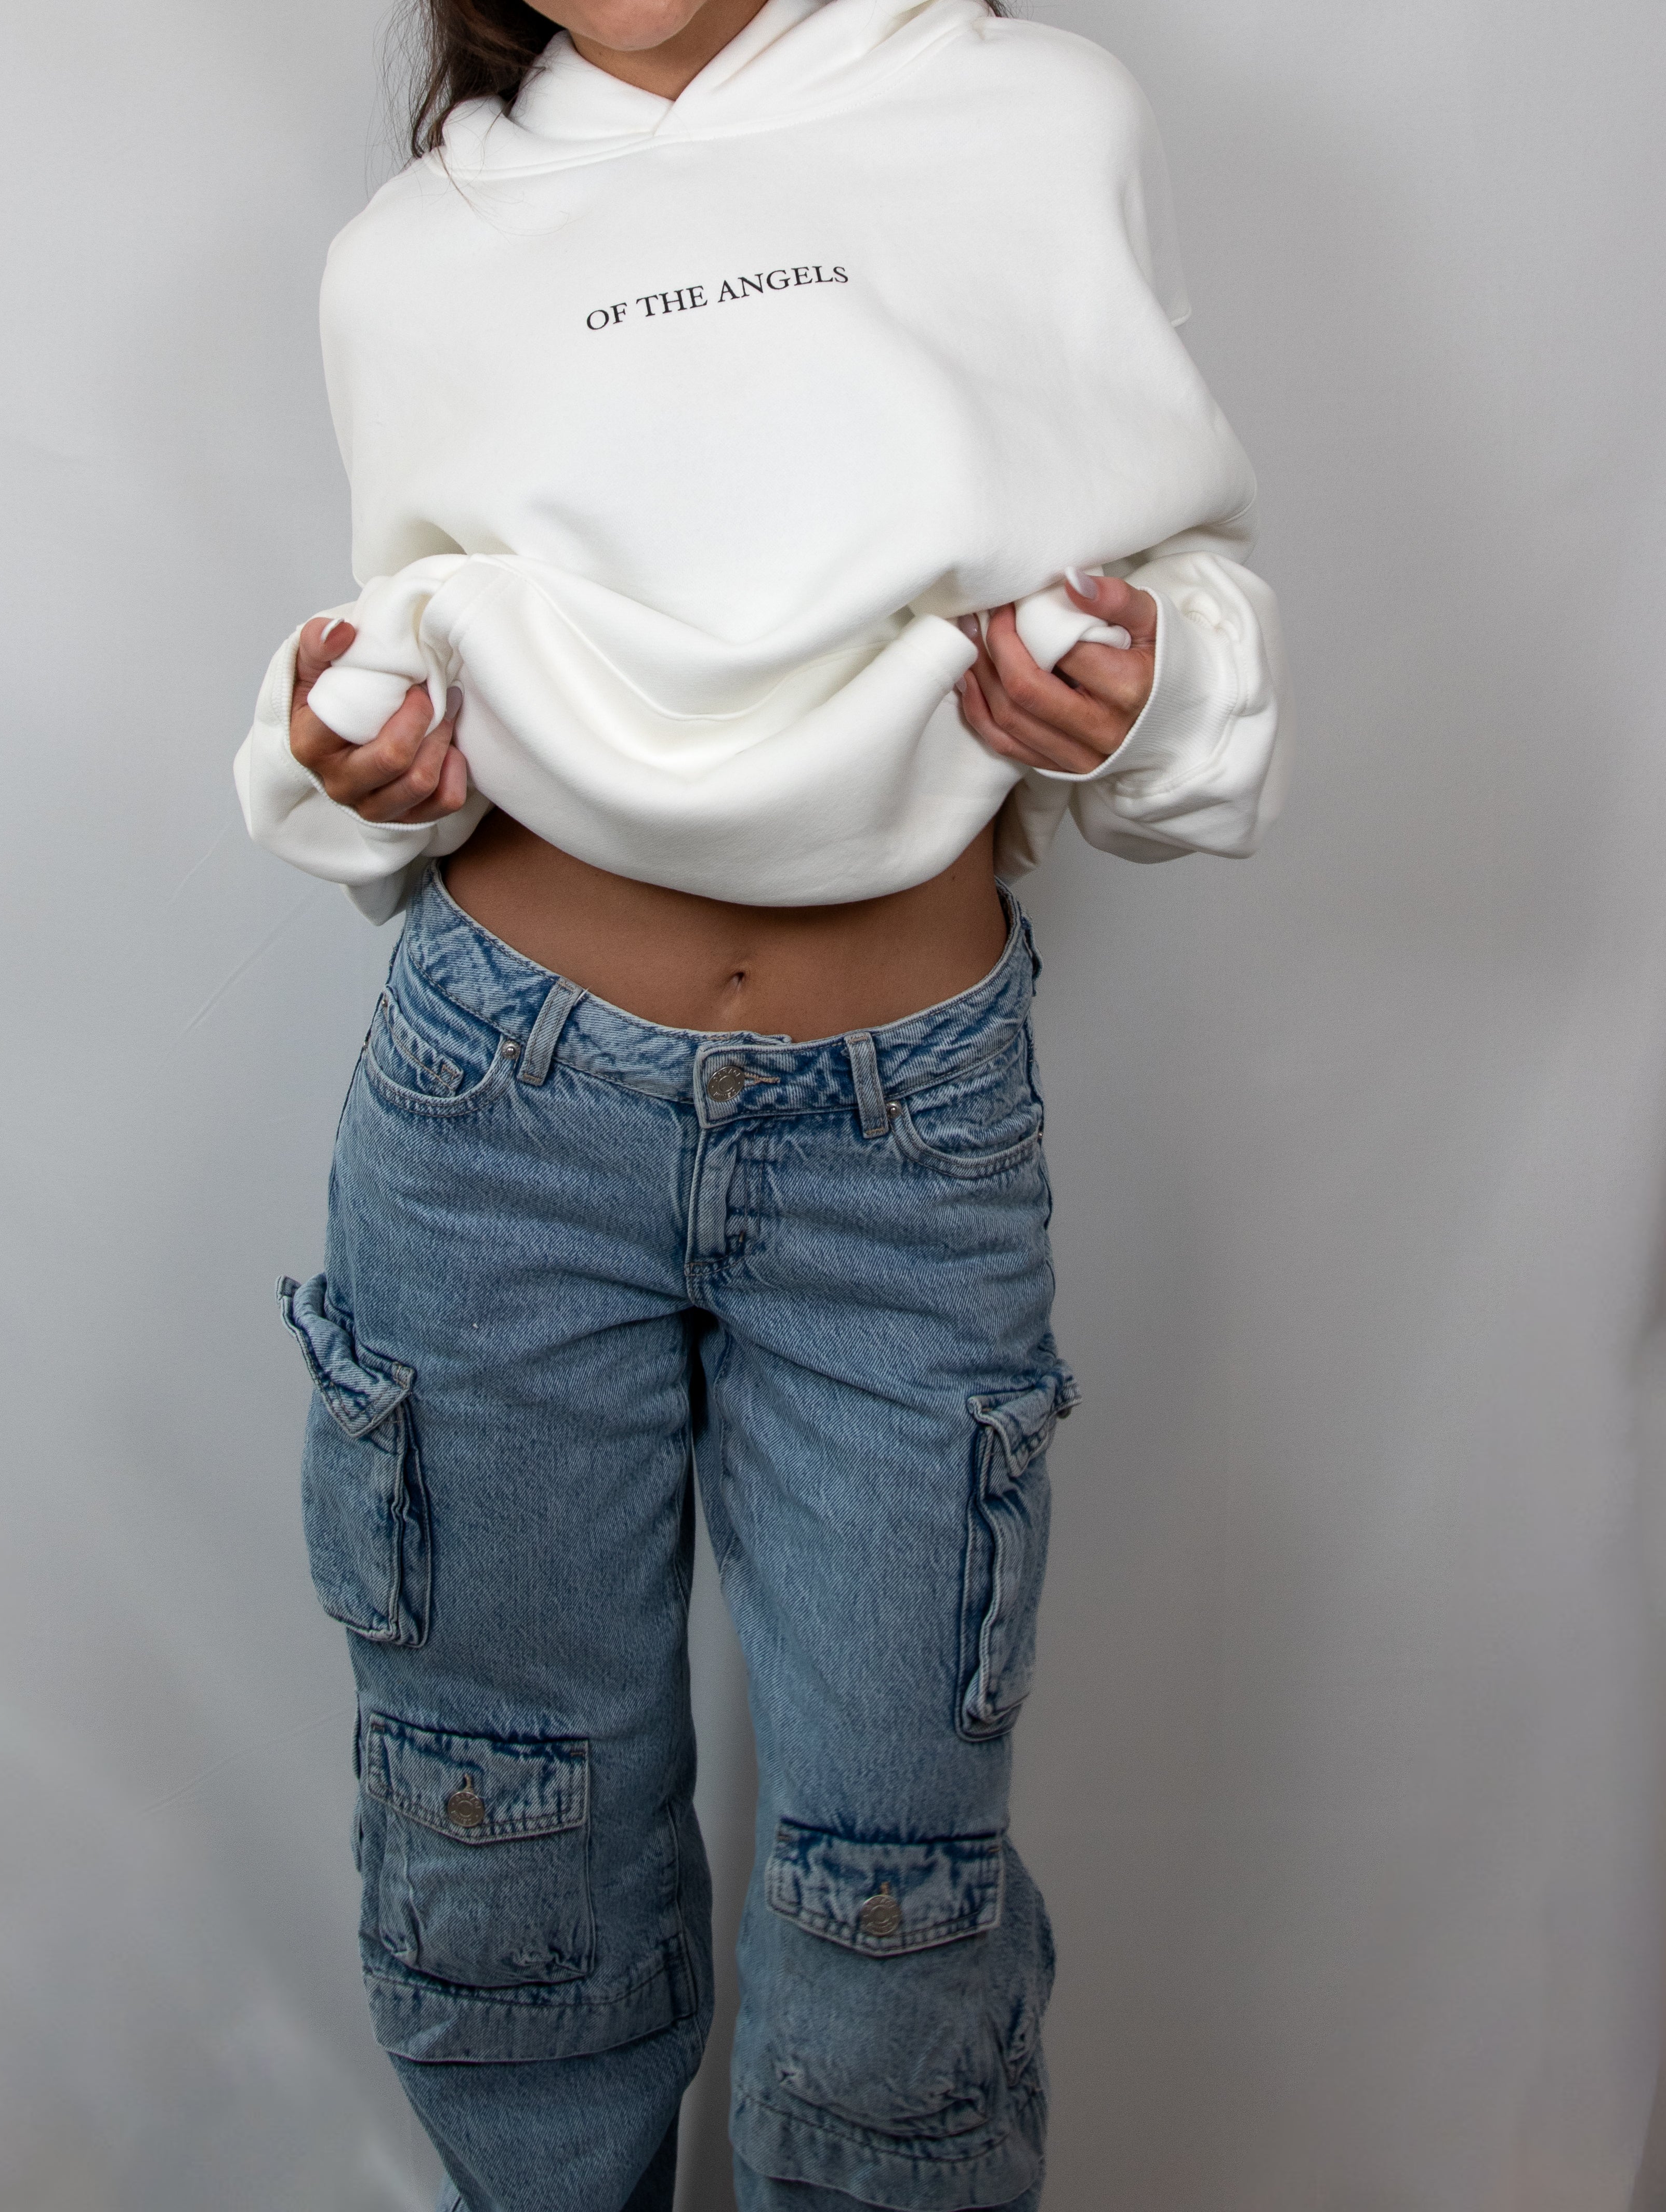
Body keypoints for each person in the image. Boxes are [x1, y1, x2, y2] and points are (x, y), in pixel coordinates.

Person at [237, 0, 1290, 2200]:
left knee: (900, 1886)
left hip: (906, 1141)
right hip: (497, 1117)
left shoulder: (1025, 116)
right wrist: (345, 760)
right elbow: (404, 652)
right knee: (500, 1828)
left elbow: (1179, 573)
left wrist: (1144, 686)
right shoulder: (411, 255)